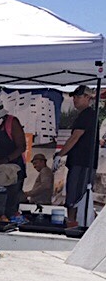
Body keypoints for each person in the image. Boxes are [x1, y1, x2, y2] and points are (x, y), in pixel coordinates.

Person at [56, 85, 98, 227]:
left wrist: (60, 154)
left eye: (78, 97)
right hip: (79, 162)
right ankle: (73, 222)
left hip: (83, 162)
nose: (75, 100)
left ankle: (76, 224)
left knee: (77, 195)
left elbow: (75, 137)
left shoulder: (88, 114)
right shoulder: (84, 115)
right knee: (73, 194)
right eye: (74, 97)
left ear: (88, 97)